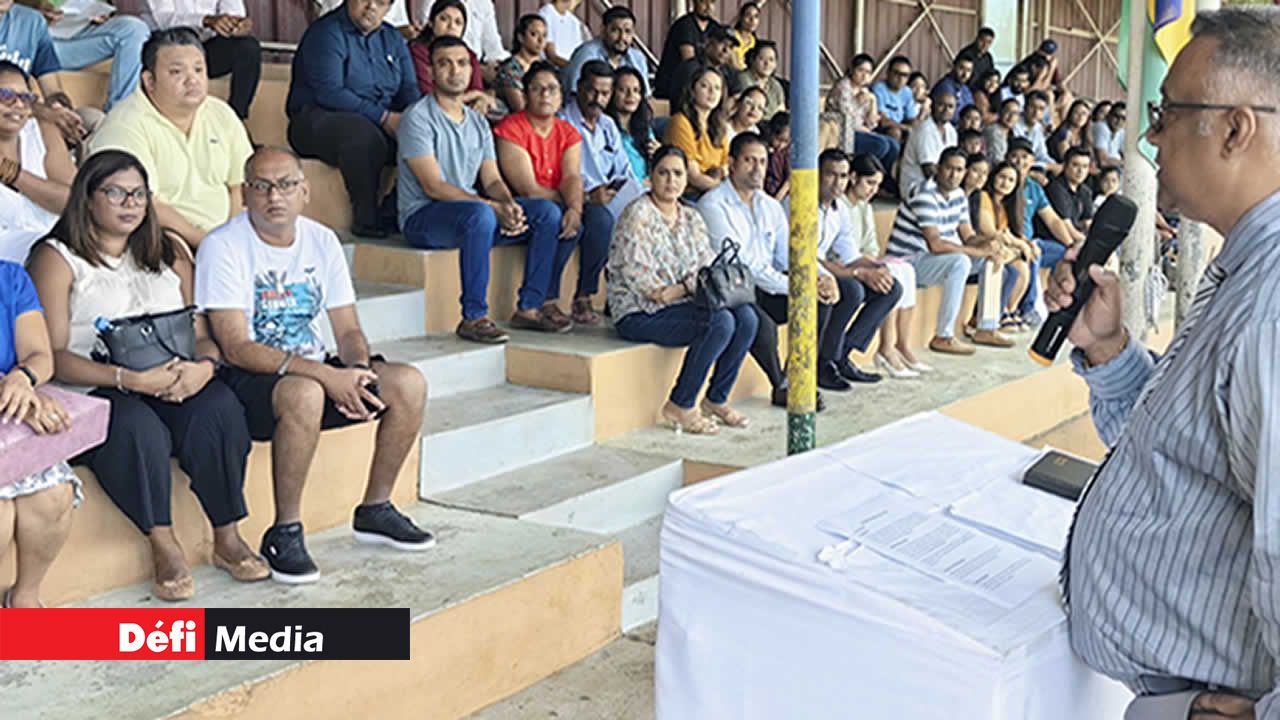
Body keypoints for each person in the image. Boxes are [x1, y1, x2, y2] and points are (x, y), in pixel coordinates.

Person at [1048, 11, 1280, 720]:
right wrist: (1110, 350)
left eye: (1168, 111)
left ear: (1235, 129)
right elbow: (1182, 450)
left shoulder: (1271, 306)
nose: (1150, 134)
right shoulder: (1242, 267)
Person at [29, 149, 268, 600]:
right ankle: (164, 543)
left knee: (218, 407)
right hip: (97, 383)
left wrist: (203, 368)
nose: (130, 203)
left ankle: (227, 534)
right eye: (116, 192)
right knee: (136, 427)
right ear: (88, 197)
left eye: (139, 194)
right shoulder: (58, 258)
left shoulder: (169, 250)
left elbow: (202, 335)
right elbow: (52, 356)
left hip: (176, 375)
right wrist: (131, 381)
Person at [199, 147, 432, 584]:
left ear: (305, 191)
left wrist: (358, 371)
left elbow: (346, 330)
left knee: (408, 384)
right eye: (262, 186)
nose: (275, 196)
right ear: (245, 195)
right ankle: (285, 531)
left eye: (286, 184)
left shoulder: (322, 240)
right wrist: (327, 376)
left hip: (315, 367)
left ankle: (375, 508)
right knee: (306, 392)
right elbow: (234, 346)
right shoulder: (223, 246)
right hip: (249, 379)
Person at [399, 36, 566, 343]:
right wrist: (492, 207)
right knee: (481, 216)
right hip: (424, 218)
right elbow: (433, 186)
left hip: (472, 213)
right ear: (431, 71)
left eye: (462, 63)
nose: (455, 71)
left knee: (546, 212)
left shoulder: (477, 122)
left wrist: (508, 204)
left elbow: (491, 179)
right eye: (444, 63)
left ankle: (529, 307)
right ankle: (473, 317)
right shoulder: (418, 118)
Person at [608, 145, 757, 435]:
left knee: (747, 317)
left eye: (678, 174)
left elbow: (705, 268)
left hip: (678, 303)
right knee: (719, 321)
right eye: (663, 173)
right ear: (650, 177)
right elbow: (644, 282)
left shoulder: (691, 217)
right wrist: (684, 288)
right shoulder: (637, 215)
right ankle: (681, 403)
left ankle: (716, 399)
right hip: (639, 312)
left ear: (686, 180)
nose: (671, 180)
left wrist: (681, 288)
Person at [699, 133, 844, 402]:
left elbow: (791, 253)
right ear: (731, 163)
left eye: (763, 162)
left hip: (768, 286)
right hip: (733, 290)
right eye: (749, 161)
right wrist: (799, 286)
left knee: (820, 299)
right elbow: (744, 266)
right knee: (760, 323)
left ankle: (796, 375)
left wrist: (823, 277)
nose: (757, 169)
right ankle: (780, 385)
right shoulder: (714, 204)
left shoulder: (770, 205)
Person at [90, 28, 254, 250]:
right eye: (177, 72)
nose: (192, 80)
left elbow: (240, 187)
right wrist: (208, 244)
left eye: (198, 69)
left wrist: (232, 237)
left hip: (223, 241)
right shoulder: (125, 123)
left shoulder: (221, 113)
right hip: (158, 239)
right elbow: (143, 204)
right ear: (149, 80)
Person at [287, 0, 420, 239]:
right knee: (361, 134)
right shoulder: (326, 32)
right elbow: (330, 92)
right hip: (318, 119)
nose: (371, 7)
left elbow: (409, 88)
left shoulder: (392, 38)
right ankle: (366, 218)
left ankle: (393, 210)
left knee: (432, 128)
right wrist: (384, 117)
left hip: (380, 120)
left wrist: (417, 119)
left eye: (381, 3)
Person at [500, 61, 614, 325]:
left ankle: (584, 294)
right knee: (556, 215)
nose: (545, 95)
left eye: (551, 89)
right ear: (525, 93)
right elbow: (527, 188)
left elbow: (572, 176)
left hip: (556, 201)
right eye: (537, 89)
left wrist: (576, 208)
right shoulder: (512, 127)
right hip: (520, 204)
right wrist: (573, 204)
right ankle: (545, 300)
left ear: (562, 95)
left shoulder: (567, 131)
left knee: (599, 219)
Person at [0, 259, 78, 608]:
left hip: (9, 415)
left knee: (53, 495)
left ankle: (24, 597)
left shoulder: (10, 278)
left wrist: (22, 380)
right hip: (10, 404)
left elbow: (39, 355)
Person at [885, 146, 1009, 355]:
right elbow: (935, 244)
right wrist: (976, 251)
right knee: (960, 262)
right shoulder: (924, 194)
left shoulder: (959, 195)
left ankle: (986, 328)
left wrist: (989, 245)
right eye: (949, 169)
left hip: (932, 261)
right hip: (908, 262)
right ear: (938, 169)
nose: (954, 175)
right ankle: (943, 336)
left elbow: (968, 236)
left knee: (992, 261)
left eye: (960, 170)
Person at [814, 150, 900, 383]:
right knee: (852, 290)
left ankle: (842, 354)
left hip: (828, 270)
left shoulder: (838, 208)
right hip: (801, 271)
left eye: (842, 176)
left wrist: (878, 268)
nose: (837, 182)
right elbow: (806, 259)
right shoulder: (800, 202)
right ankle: (824, 362)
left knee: (892, 286)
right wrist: (859, 272)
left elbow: (850, 253)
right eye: (831, 175)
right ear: (817, 175)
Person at [836, 153, 924, 377]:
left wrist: (873, 262)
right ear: (853, 178)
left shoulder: (864, 207)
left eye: (877, 184)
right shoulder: (840, 206)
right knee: (890, 277)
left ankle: (899, 344)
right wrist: (866, 264)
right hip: (840, 266)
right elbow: (837, 252)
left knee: (905, 272)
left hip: (859, 260)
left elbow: (871, 246)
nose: (873, 190)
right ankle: (884, 347)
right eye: (869, 183)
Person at [0, 61, 74, 264]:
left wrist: (13, 174)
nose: (18, 105)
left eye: (26, 98)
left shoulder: (41, 131)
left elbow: (73, 202)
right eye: (6, 96)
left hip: (56, 248)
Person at [21, 0, 150, 112]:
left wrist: (104, 13)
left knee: (135, 29)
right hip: (38, 44)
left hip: (80, 36)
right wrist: (36, 14)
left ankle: (120, 111)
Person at [142, 0, 262, 120]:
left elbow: (234, 13)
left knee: (248, 47)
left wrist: (238, 25)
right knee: (184, 34)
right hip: (168, 47)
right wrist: (206, 20)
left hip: (207, 47)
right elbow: (165, 19)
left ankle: (235, 118)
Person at [0, 0, 87, 145]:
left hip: (23, 119)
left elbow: (52, 89)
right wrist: (46, 113)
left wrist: (61, 111)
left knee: (91, 118)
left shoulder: (31, 22)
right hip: (11, 124)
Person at [973, 161, 1038, 332]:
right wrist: (1020, 244)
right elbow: (989, 231)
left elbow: (1011, 233)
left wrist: (1026, 243)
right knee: (1012, 268)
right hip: (982, 246)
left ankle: (1010, 310)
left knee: (1023, 267)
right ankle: (999, 314)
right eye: (1002, 177)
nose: (1005, 183)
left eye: (1011, 180)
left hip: (1001, 248)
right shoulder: (984, 197)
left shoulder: (1005, 205)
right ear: (994, 177)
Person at [826, 52, 899, 195]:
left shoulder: (865, 91)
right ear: (852, 69)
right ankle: (862, 178)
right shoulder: (843, 87)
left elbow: (872, 123)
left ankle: (880, 183)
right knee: (880, 145)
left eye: (868, 72)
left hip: (860, 131)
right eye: (861, 70)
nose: (864, 75)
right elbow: (847, 118)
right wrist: (865, 128)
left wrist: (873, 100)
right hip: (843, 133)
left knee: (893, 145)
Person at [410, 0, 495, 115]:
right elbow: (429, 95)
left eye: (458, 22)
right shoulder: (418, 51)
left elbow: (476, 89)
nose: (451, 26)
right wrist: (476, 95)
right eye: (444, 19)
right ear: (431, 22)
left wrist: (480, 98)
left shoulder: (469, 55)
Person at [664, 66, 729, 195]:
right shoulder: (681, 122)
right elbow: (694, 177)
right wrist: (726, 190)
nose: (712, 92)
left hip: (715, 191)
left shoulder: (720, 126)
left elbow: (726, 167)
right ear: (692, 90)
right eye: (705, 86)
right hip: (691, 194)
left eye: (717, 88)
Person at [562, 5, 649, 98]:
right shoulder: (587, 54)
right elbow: (574, 94)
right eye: (615, 30)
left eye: (627, 31)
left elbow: (645, 96)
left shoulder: (637, 58)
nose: (622, 37)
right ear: (603, 30)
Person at [668, 24, 743, 109]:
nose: (726, 50)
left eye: (730, 47)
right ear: (708, 41)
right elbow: (683, 103)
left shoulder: (730, 72)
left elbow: (738, 100)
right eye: (722, 43)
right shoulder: (690, 68)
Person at [654, 0, 716, 101]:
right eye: (703, 2)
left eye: (712, 2)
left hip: (700, 86)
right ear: (694, 2)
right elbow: (689, 63)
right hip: (673, 90)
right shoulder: (685, 25)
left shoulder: (714, 27)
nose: (708, 7)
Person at [899, 90, 957, 197]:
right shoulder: (924, 130)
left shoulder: (951, 131)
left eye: (950, 106)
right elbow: (929, 169)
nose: (946, 110)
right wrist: (948, 189)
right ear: (933, 106)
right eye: (941, 105)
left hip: (940, 183)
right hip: (916, 185)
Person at [606, 66, 657, 183]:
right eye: (623, 90)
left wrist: (658, 154)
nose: (630, 95)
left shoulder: (645, 128)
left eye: (636, 90)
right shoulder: (605, 128)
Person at [494, 13, 549, 114]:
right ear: (521, 37)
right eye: (534, 34)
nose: (541, 40)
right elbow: (521, 108)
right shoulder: (510, 69)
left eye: (544, 35)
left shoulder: (547, 67)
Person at [1041, 146, 1094, 238]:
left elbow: (1088, 222)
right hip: (1054, 239)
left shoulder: (1085, 191)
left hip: (1075, 238)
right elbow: (1067, 227)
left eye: (1085, 166)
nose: (1080, 171)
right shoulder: (1056, 188)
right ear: (1065, 166)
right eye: (1075, 165)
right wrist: (1087, 245)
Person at [1010, 90, 1061, 175]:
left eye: (1041, 109)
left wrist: (1055, 165)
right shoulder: (1014, 123)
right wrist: (1046, 166)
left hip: (1032, 166)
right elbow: (1019, 159)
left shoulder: (1038, 127)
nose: (1036, 112)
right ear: (1025, 107)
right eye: (1032, 107)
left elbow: (1042, 154)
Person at [737, 40, 785, 121]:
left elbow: (781, 112)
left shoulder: (776, 85)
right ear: (753, 60)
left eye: (771, 60)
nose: (767, 63)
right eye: (762, 59)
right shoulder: (743, 79)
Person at [872, 55, 916, 141]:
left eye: (904, 75)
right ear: (888, 73)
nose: (900, 78)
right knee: (895, 132)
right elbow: (883, 122)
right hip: (879, 128)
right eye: (896, 73)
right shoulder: (879, 88)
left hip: (900, 126)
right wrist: (905, 127)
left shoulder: (907, 91)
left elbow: (911, 118)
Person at [538, 0, 588, 69]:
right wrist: (573, 68)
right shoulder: (546, 14)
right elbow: (551, 56)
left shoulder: (575, 21)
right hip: (553, 70)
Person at [931, 55, 975, 123]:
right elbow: (952, 117)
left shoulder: (966, 89)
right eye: (961, 68)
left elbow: (971, 110)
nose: (965, 74)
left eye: (968, 70)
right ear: (953, 67)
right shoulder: (945, 86)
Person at [1049, 98, 1092, 163]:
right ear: (1070, 114)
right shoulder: (1063, 132)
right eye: (1076, 112)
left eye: (1084, 113)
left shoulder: (1084, 134)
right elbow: (1066, 158)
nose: (1080, 116)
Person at [984, 97, 1020, 166]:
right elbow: (996, 160)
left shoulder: (1013, 133)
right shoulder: (993, 131)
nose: (1011, 116)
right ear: (1000, 112)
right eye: (1008, 111)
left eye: (1015, 113)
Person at [762, 111, 789, 199]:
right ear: (770, 132)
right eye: (778, 140)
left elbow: (789, 180)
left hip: (780, 195)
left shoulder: (786, 153)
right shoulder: (763, 147)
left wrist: (778, 198)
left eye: (786, 142)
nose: (781, 145)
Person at [1092, 101, 1125, 169]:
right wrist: (1124, 163)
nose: (1119, 121)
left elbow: (1126, 155)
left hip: (1114, 171)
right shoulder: (1101, 127)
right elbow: (1103, 162)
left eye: (1123, 118)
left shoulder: (1121, 131)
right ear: (1108, 115)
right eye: (1116, 116)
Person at [729, 1, 760, 71]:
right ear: (741, 17)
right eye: (748, 15)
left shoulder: (756, 43)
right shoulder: (731, 36)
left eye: (756, 16)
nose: (752, 20)